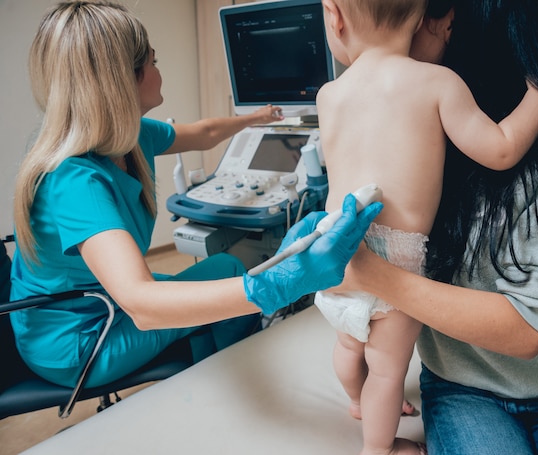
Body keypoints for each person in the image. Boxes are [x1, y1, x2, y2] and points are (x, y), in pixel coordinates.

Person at [10, 1, 382, 390]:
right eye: (153, 62)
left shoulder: (127, 136)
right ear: (127, 79)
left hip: (100, 299)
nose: (159, 70)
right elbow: (141, 303)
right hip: (80, 338)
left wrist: (258, 117)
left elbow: (202, 133)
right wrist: (280, 283)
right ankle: (218, 385)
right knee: (237, 284)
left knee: (225, 268)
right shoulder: (74, 181)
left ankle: (215, 362)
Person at [335, 0, 538, 453]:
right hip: (461, 386)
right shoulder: (420, 103)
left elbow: (527, 330)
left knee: (358, 353)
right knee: (377, 362)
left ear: (451, 21)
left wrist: (370, 274)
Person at [314, 0, 538, 454]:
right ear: (426, 20)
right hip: (396, 258)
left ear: (335, 15)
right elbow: (500, 151)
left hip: (338, 245)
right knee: (386, 371)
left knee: (349, 345)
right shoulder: (437, 82)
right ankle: (379, 447)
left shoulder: (329, 93)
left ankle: (354, 401)